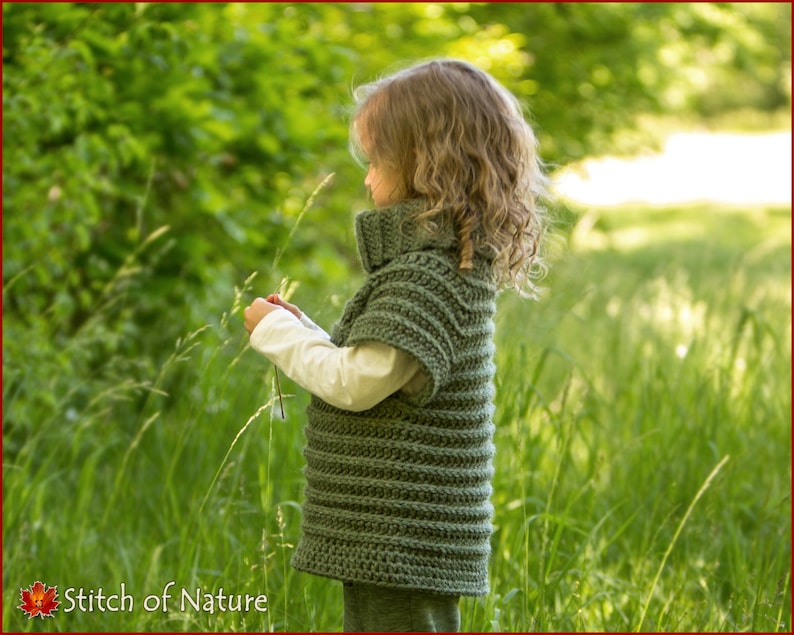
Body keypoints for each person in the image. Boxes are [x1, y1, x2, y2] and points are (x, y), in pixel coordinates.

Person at [244, 58, 547, 632]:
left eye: (376, 161)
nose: (365, 177)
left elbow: (353, 384)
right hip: (396, 532)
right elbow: (375, 366)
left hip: (402, 535)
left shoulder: (427, 276)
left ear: (422, 166)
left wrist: (275, 334)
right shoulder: (436, 266)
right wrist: (306, 329)